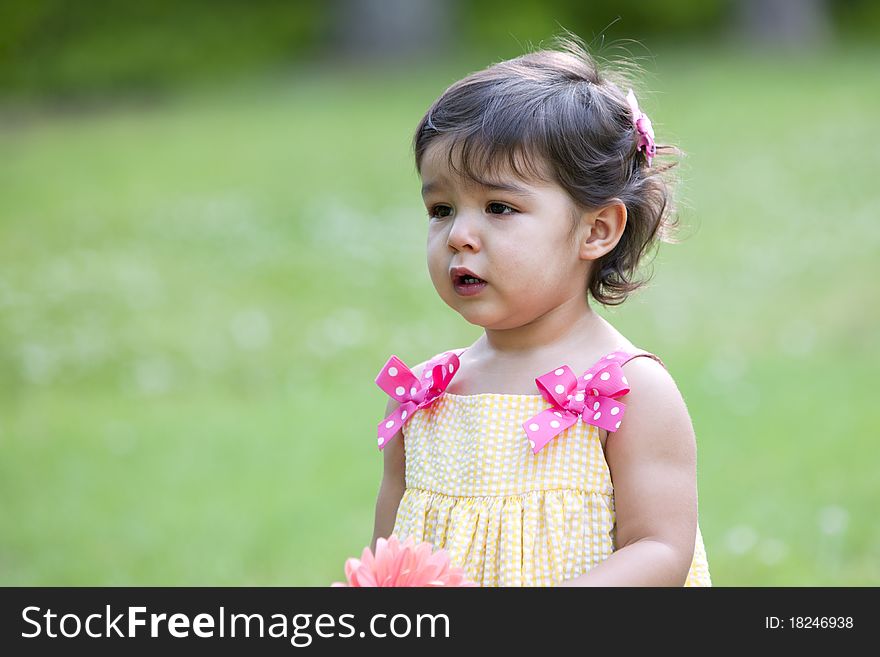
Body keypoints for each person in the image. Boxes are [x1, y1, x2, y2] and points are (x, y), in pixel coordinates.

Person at [369, 35, 711, 586]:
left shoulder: (624, 390)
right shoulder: (426, 395)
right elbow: (389, 560)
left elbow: (660, 549)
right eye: (441, 209)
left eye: (499, 207)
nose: (459, 235)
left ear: (596, 230)